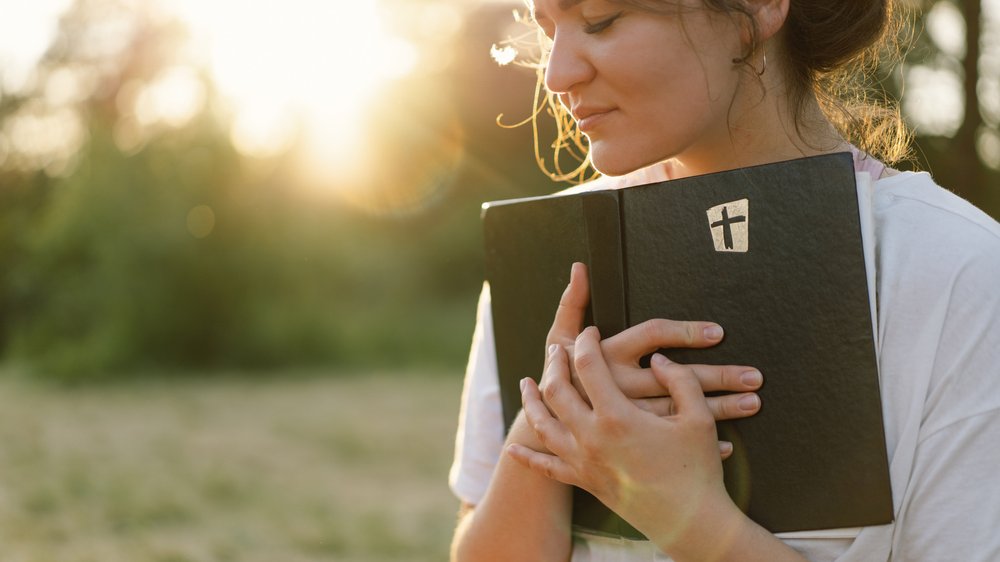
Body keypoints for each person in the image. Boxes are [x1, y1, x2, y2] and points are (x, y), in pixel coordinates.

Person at [449, 0, 1000, 560]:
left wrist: (685, 515)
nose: (557, 75)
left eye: (600, 20)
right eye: (547, 32)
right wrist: (547, 419)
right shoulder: (546, 251)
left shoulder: (954, 269)